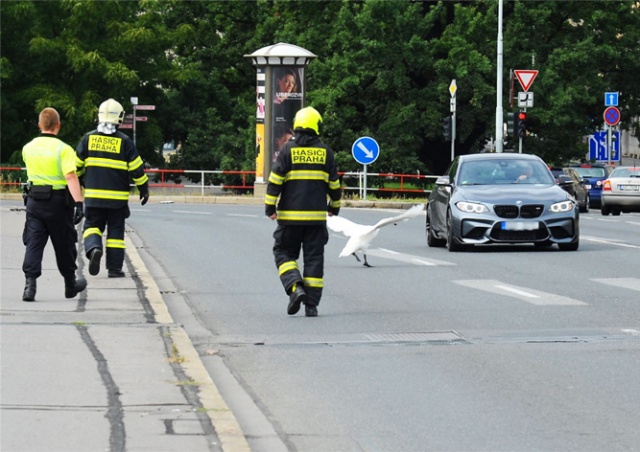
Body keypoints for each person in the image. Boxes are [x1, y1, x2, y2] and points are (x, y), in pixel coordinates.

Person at [265, 107, 342, 317]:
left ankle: (294, 287)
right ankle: (311, 305)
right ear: (316, 125)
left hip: (289, 219)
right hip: (316, 221)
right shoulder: (326, 152)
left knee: (283, 253)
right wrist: (334, 207)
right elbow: (334, 186)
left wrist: (270, 207)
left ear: (297, 126)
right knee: (314, 260)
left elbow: (274, 182)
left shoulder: (287, 150)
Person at [76, 98, 150, 278]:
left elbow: (76, 166)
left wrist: (79, 183)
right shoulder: (125, 142)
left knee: (92, 227)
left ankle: (94, 248)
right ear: (119, 118)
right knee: (115, 234)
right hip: (117, 200)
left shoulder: (88, 139)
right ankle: (115, 269)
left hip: (93, 197)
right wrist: (144, 189)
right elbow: (137, 169)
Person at [21, 107, 87, 302]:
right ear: (58, 125)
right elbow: (70, 176)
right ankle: (70, 284)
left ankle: (29, 286)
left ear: (40, 125)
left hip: (34, 202)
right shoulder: (64, 149)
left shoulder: (28, 148)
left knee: (33, 243)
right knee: (65, 244)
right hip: (58, 203)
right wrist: (79, 202)